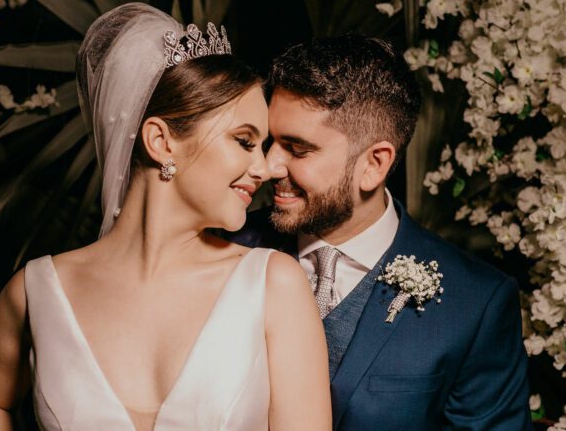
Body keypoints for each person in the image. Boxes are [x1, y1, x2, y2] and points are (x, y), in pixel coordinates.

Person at [0, 4, 331, 430]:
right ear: (160, 141)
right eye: (245, 141)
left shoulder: (273, 285)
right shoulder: (34, 292)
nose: (265, 169)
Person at [228, 35, 532, 430]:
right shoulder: (224, 248)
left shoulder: (476, 304)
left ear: (375, 164)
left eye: (297, 149)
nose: (269, 167)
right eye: (271, 142)